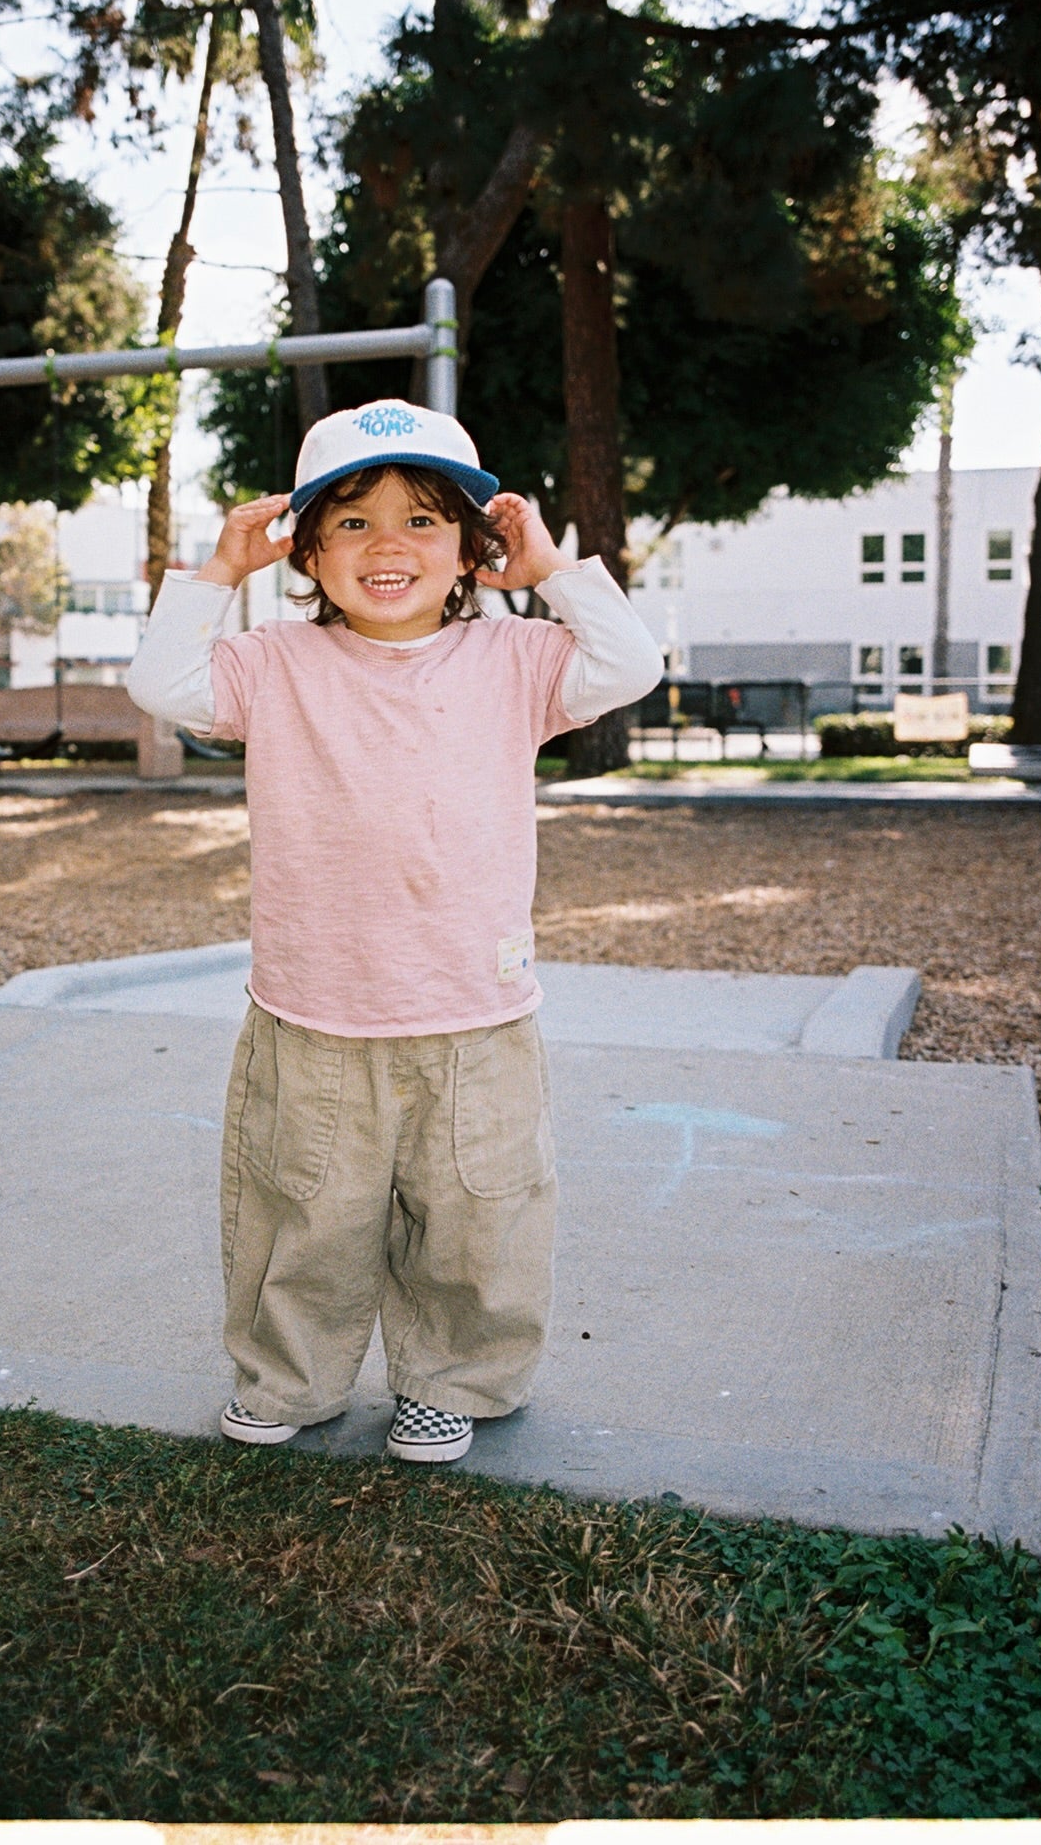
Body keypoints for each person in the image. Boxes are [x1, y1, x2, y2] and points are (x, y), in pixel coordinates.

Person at [126, 398, 663, 1465]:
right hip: (312, 1008)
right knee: (301, 1212)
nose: (387, 546)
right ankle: (291, 1376)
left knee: (477, 1212)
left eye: (422, 520)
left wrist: (549, 568)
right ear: (307, 549)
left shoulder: (514, 657)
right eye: (353, 522)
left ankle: (452, 1378)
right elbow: (162, 683)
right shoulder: (271, 663)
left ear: (474, 547)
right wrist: (214, 575)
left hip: (476, 1008)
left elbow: (629, 665)